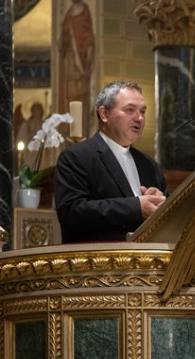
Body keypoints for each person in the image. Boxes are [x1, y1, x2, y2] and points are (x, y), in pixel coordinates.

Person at [54, 81, 168, 243]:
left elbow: (171, 221)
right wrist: (135, 207)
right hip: (97, 257)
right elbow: (71, 213)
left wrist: (161, 203)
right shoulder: (76, 157)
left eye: (142, 111)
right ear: (104, 114)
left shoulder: (150, 166)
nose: (139, 118)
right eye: (130, 110)